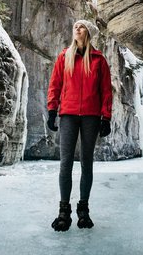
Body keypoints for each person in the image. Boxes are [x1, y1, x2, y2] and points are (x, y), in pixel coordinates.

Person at [47, 19, 112, 232]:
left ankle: (83, 210)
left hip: (91, 117)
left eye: (82, 26)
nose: (77, 28)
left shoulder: (99, 60)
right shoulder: (63, 57)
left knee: (87, 162)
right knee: (66, 163)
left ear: (88, 33)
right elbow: (55, 85)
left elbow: (106, 91)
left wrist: (106, 117)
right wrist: (51, 110)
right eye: (75, 26)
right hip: (68, 115)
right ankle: (63, 211)